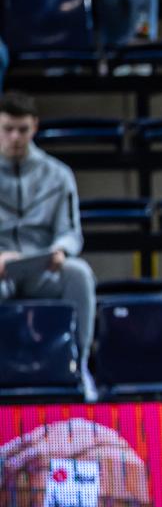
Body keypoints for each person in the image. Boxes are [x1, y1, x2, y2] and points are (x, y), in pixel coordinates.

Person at [0, 91, 96, 400]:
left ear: (35, 127)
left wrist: (60, 251)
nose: (15, 137)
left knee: (79, 273)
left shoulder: (58, 174)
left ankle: (78, 366)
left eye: (22, 129)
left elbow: (71, 231)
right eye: (7, 129)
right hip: (1, 269)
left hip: (42, 267)